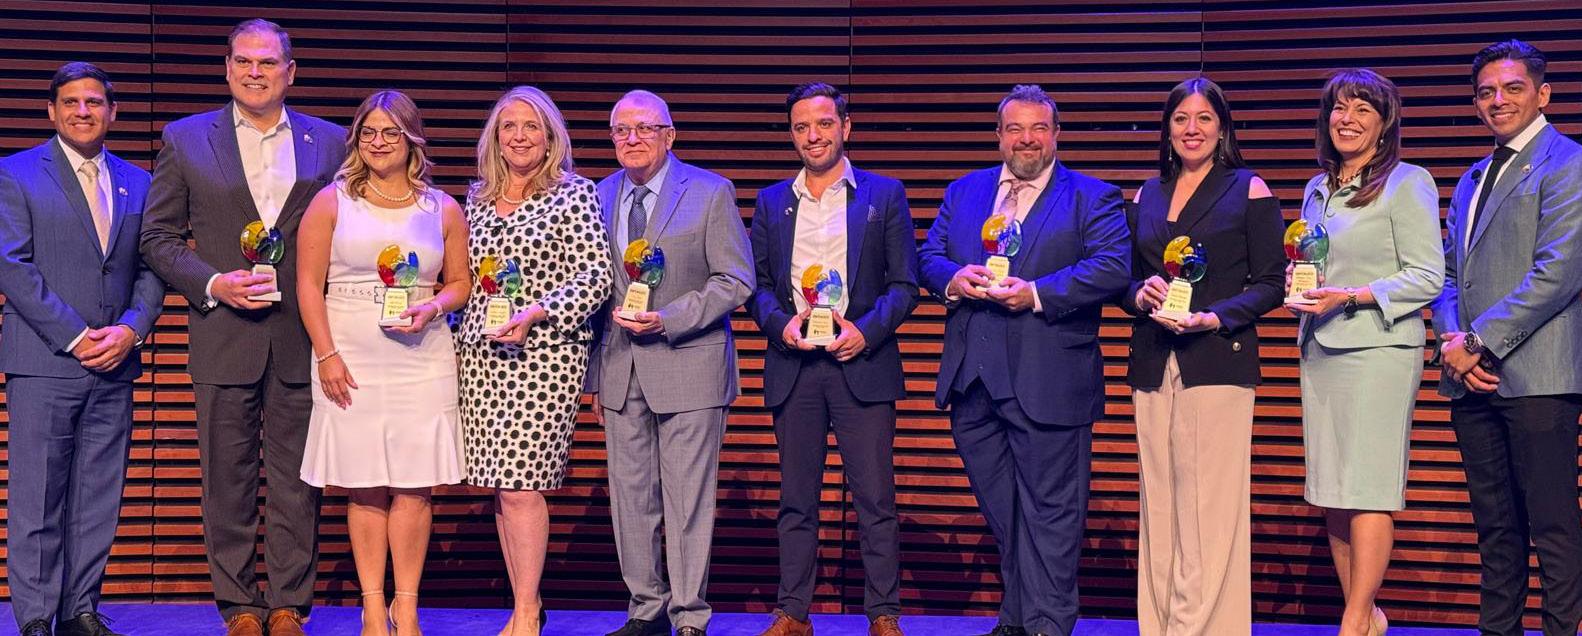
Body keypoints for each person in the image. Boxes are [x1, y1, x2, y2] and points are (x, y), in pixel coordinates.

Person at [139, 19, 347, 636]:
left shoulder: (330, 142)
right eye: (244, 61)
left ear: (290, 71)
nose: (255, 72)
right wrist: (212, 284)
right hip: (223, 334)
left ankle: (288, 605)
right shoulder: (185, 138)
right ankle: (238, 606)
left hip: (302, 338)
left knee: (297, 483)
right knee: (225, 482)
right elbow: (157, 237)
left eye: (268, 62)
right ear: (227, 68)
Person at [917, 84, 1130, 636]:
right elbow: (928, 256)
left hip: (1049, 380)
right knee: (1005, 511)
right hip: (973, 383)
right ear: (999, 136)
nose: (1027, 139)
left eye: (1038, 128)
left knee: (1052, 515)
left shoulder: (1093, 196)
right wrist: (954, 278)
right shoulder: (964, 191)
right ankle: (1016, 619)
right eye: (1015, 129)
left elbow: (1112, 266)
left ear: (1056, 134)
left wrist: (1035, 293)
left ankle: (1048, 625)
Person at [745, 82, 917, 636]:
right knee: (796, 500)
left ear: (845, 126)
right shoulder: (771, 201)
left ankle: (883, 614)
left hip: (862, 365)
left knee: (875, 500)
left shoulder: (884, 195)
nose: (812, 136)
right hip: (795, 367)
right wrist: (781, 325)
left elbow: (905, 284)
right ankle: (793, 613)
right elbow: (756, 287)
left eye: (823, 124)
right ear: (791, 134)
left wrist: (866, 332)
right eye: (801, 127)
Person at [295, 90, 469, 636]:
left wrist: (433, 306)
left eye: (390, 132)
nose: (378, 142)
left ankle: (406, 606)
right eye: (368, 132)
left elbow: (460, 283)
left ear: (411, 138)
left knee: (415, 487)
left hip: (423, 358)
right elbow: (308, 284)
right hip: (350, 357)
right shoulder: (332, 202)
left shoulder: (441, 207)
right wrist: (326, 354)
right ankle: (373, 607)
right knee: (364, 484)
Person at [0, 62, 164, 636]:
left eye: (94, 102)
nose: (82, 111)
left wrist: (131, 330)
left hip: (115, 361)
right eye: (70, 102)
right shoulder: (15, 173)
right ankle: (36, 617)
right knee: (38, 496)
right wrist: (75, 335)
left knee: (98, 495)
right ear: (51, 111)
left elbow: (152, 266)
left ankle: (79, 610)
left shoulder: (140, 182)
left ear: (112, 112)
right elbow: (11, 265)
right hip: (44, 361)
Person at [586, 89, 753, 636]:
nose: (632, 139)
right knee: (630, 500)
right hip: (620, 369)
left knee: (687, 500)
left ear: (669, 135)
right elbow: (595, 293)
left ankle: (688, 616)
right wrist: (593, 376)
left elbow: (735, 279)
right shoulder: (596, 196)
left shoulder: (710, 191)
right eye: (621, 130)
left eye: (644, 128)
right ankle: (646, 610)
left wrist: (669, 318)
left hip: (688, 362)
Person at [1120, 77, 1283, 636]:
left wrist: (1214, 317)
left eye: (1204, 118)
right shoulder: (1146, 193)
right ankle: (1160, 626)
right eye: (1181, 119)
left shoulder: (1248, 188)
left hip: (1217, 358)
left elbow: (1271, 283)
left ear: (1222, 127)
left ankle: (1200, 629)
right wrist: (1139, 294)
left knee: (1208, 508)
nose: (1192, 129)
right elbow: (1125, 279)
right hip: (1152, 361)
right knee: (1160, 505)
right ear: (1167, 129)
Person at [1285, 68, 1445, 636]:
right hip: (1321, 349)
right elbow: (1317, 263)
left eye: (1362, 109)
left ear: (1384, 123)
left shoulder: (1408, 181)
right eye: (1338, 107)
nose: (1346, 119)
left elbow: (1428, 275)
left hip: (1379, 350)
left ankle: (1353, 621)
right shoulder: (1317, 187)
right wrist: (1302, 288)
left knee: (1369, 487)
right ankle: (1368, 615)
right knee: (1333, 491)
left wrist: (1351, 295)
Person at [1430, 40, 1582, 636]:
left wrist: (1477, 342)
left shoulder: (1568, 162)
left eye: (1513, 88)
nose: (1498, 100)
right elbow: (1449, 274)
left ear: (1543, 94)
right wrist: (1453, 343)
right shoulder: (1473, 176)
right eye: (1486, 92)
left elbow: (1557, 273)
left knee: (1552, 526)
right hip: (1471, 379)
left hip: (1538, 376)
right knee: (1495, 529)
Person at [455, 86, 611, 636]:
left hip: (544, 356)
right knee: (502, 486)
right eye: (509, 126)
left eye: (531, 126)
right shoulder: (476, 198)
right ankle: (528, 603)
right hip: (480, 357)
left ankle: (525, 615)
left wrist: (538, 312)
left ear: (550, 137)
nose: (519, 136)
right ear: (495, 138)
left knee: (523, 484)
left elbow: (596, 275)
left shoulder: (574, 193)